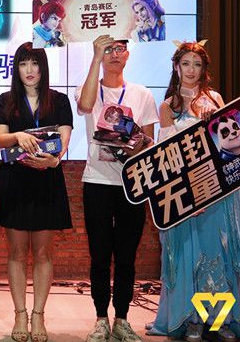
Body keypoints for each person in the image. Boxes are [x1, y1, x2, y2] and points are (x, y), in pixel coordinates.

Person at [146, 42, 240, 341]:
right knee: (187, 254)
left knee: (216, 252)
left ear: (204, 69)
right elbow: (167, 157)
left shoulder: (215, 99)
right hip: (186, 193)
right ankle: (190, 319)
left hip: (215, 189)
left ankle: (219, 319)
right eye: (186, 63)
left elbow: (231, 147)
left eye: (197, 64)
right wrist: (188, 196)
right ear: (176, 67)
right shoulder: (168, 106)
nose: (191, 70)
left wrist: (213, 121)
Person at [76, 36, 157, 342]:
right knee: (99, 256)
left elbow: (149, 142)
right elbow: (85, 106)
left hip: (131, 183)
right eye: (107, 49)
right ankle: (100, 319)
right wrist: (95, 57)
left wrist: (134, 144)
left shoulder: (142, 93)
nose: (113, 54)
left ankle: (122, 319)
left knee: (126, 256)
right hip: (97, 181)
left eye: (118, 49)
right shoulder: (88, 88)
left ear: (127, 54)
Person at [0, 42, 73, 342]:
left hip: (47, 179)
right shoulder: (6, 100)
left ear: (43, 68)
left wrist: (54, 159)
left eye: (35, 63)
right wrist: (18, 135)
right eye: (23, 63)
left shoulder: (59, 100)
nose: (29, 70)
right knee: (16, 252)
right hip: (15, 180)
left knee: (42, 252)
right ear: (16, 68)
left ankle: (38, 314)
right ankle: (20, 314)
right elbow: (0, 139)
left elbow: (64, 139)